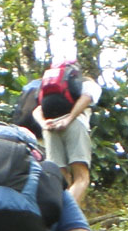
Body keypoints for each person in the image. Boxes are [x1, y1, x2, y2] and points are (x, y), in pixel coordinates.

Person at [36, 64, 102, 208]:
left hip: (50, 127)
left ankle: (57, 215)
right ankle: (66, 214)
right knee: (81, 178)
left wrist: (43, 123)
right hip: (74, 124)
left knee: (60, 179)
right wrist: (69, 119)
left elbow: (37, 109)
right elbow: (86, 98)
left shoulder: (47, 88)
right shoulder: (86, 83)